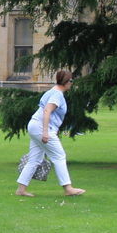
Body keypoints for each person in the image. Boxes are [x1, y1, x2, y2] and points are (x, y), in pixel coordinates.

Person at [15, 69, 85, 197]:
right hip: (41, 127)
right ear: (66, 81)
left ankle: (21, 189)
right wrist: (46, 132)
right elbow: (47, 111)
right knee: (59, 156)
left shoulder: (51, 91)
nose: (72, 83)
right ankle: (68, 188)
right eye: (71, 81)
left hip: (35, 125)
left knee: (34, 159)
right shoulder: (57, 94)